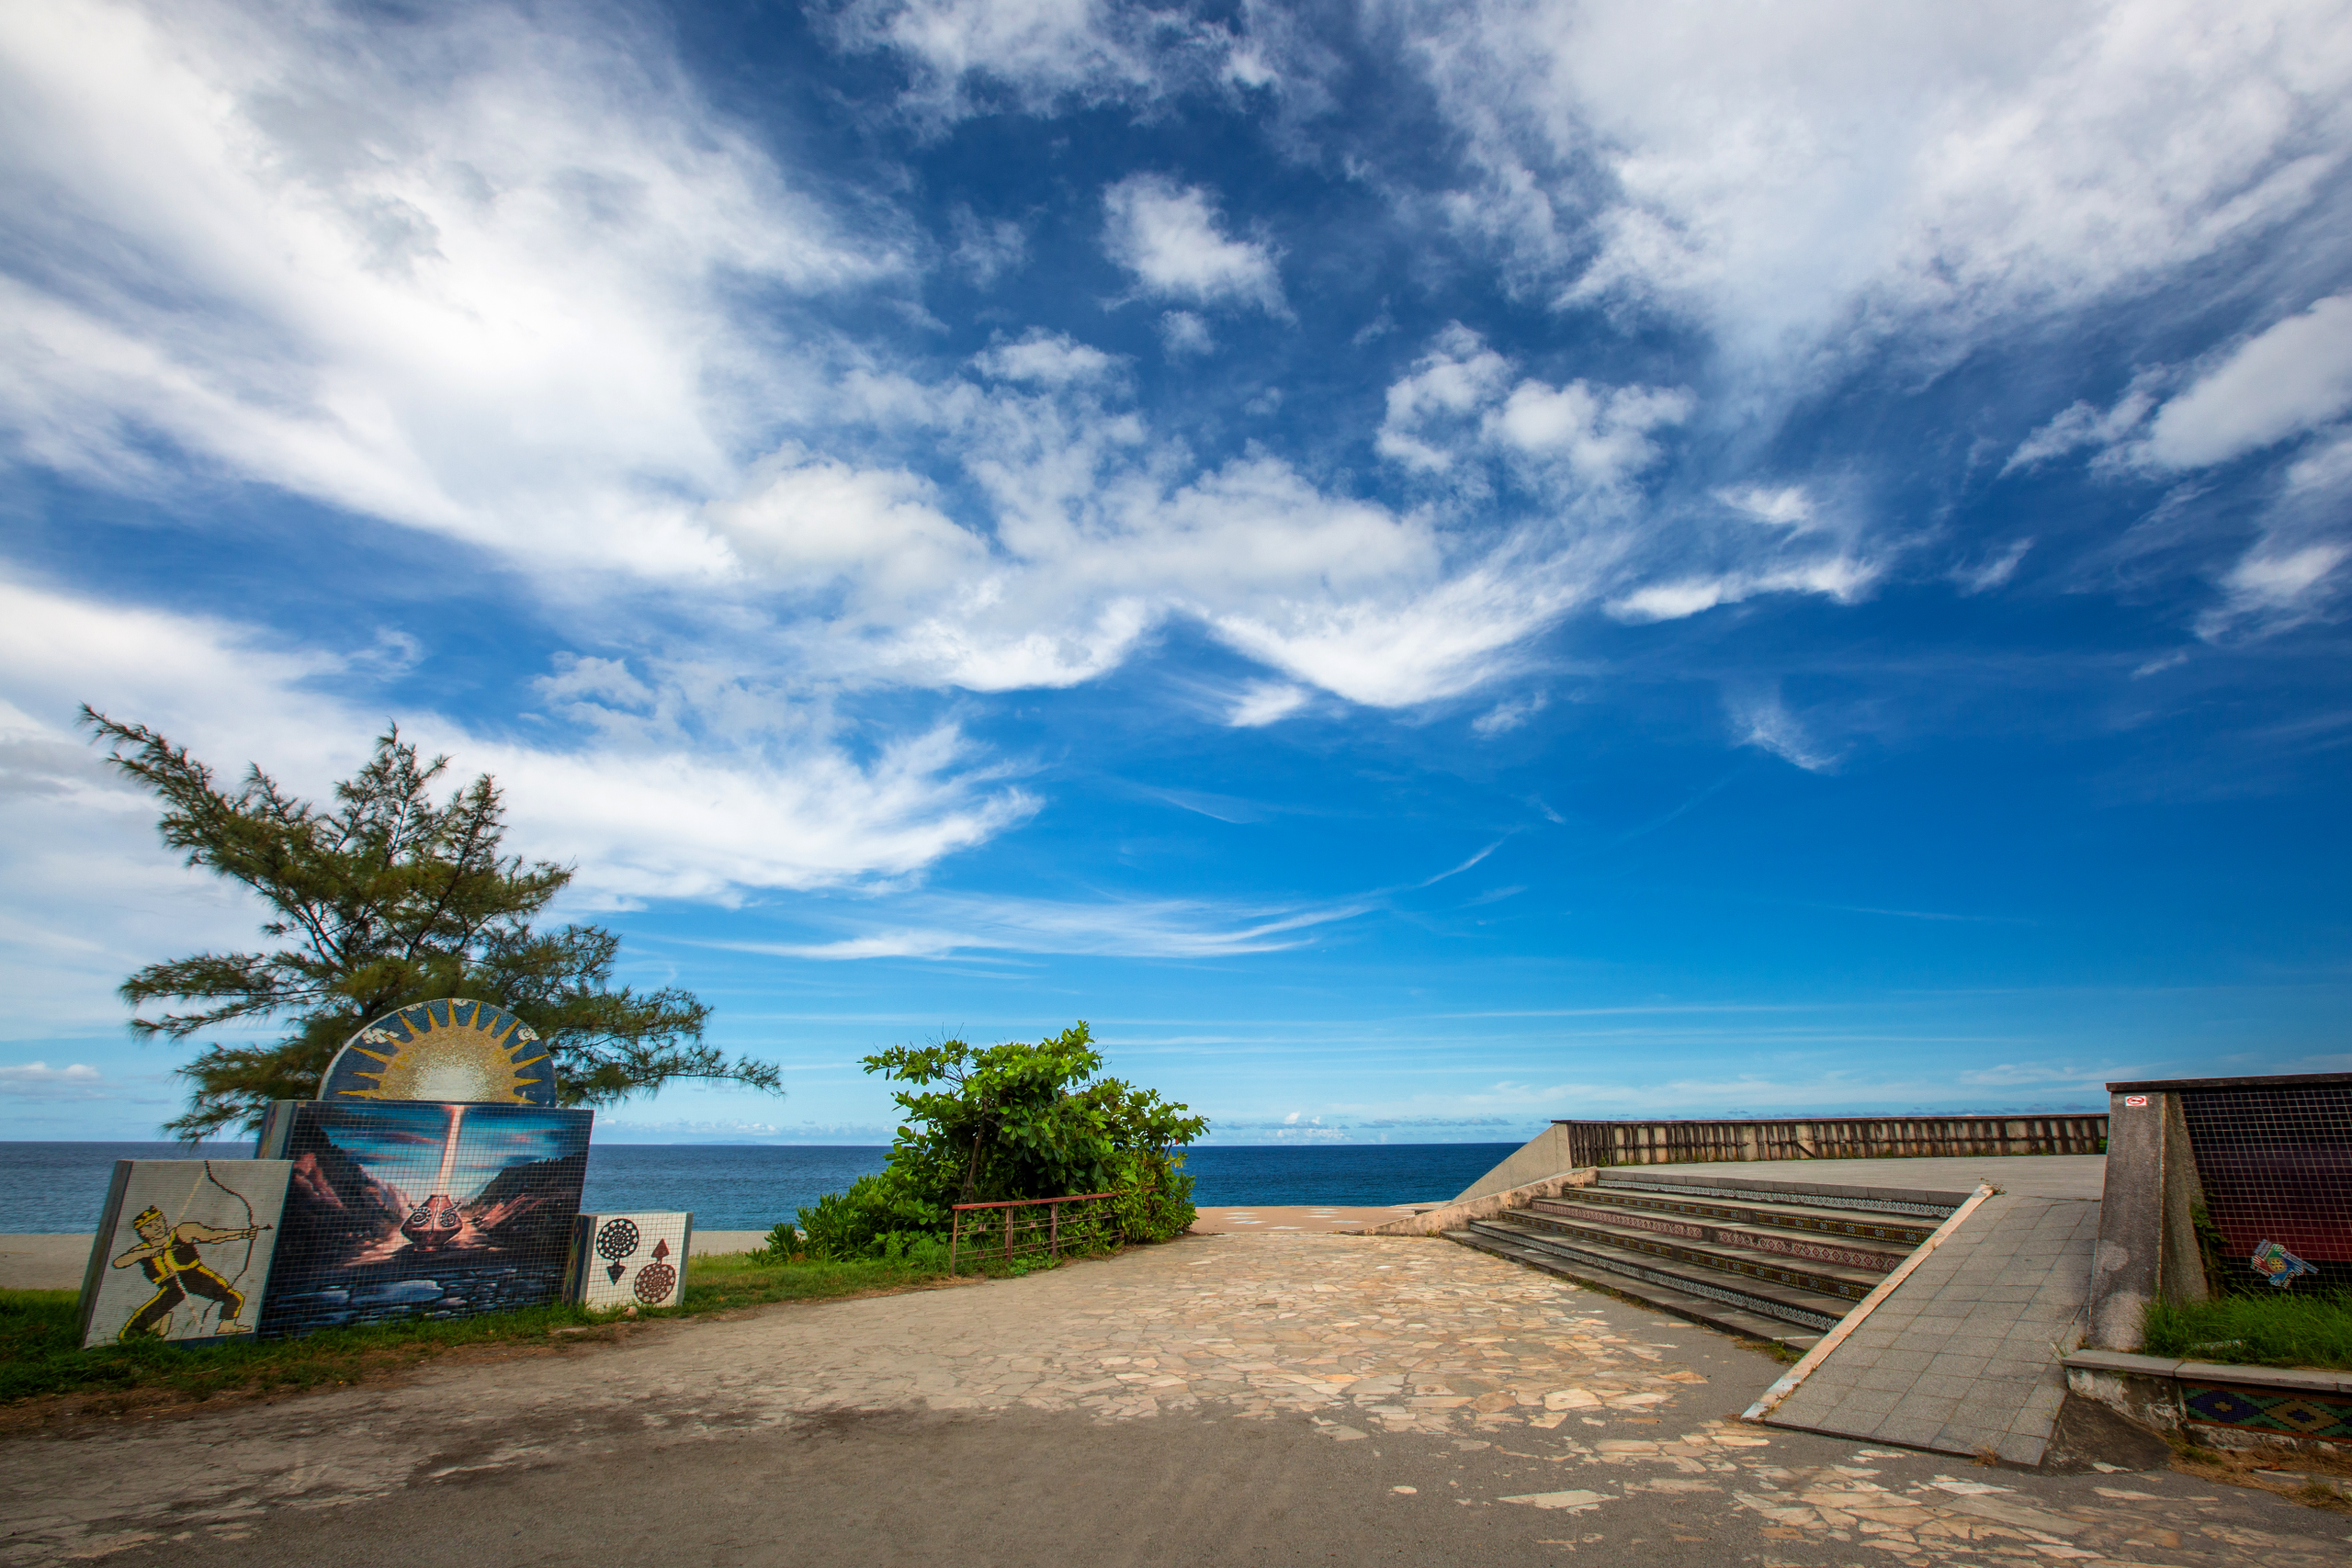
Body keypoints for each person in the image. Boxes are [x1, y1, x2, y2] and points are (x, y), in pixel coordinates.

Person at [111, 1202, 269, 1340]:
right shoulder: (143, 1249)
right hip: (171, 1284)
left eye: (158, 1220)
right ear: (142, 1232)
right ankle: (134, 1333)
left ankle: (226, 1326)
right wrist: (147, 1253)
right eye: (149, 1226)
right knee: (162, 1305)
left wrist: (243, 1234)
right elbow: (119, 1263)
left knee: (233, 1297)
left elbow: (213, 1235)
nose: (157, 1226)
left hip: (194, 1277)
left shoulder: (182, 1231)